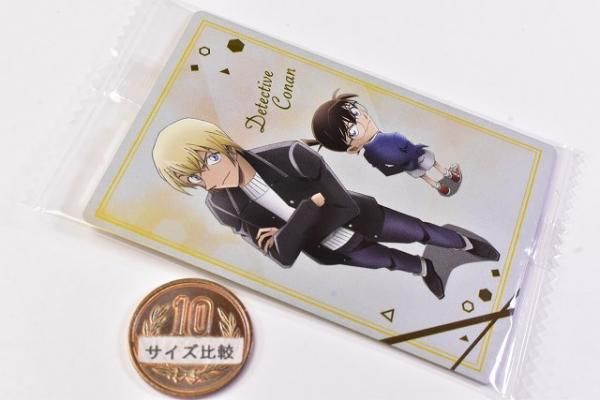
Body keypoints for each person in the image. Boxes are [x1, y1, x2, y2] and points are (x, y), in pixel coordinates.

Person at [152, 118, 499, 299]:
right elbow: (282, 257)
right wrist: (307, 211)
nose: (210, 178)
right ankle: (426, 269)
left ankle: (465, 244)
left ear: (225, 146)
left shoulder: (289, 156)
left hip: (364, 218)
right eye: (194, 177)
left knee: (420, 231)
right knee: (391, 262)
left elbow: (341, 206)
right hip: (334, 251)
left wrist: (291, 232)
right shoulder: (222, 205)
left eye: (210, 160)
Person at [310, 90, 462, 196]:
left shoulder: (369, 155)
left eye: (355, 112)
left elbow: (387, 171)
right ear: (352, 149)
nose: (363, 120)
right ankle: (449, 176)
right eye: (353, 131)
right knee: (432, 163)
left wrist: (402, 166)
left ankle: (441, 186)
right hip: (415, 155)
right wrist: (407, 158)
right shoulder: (387, 140)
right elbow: (395, 160)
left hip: (408, 164)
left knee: (423, 175)